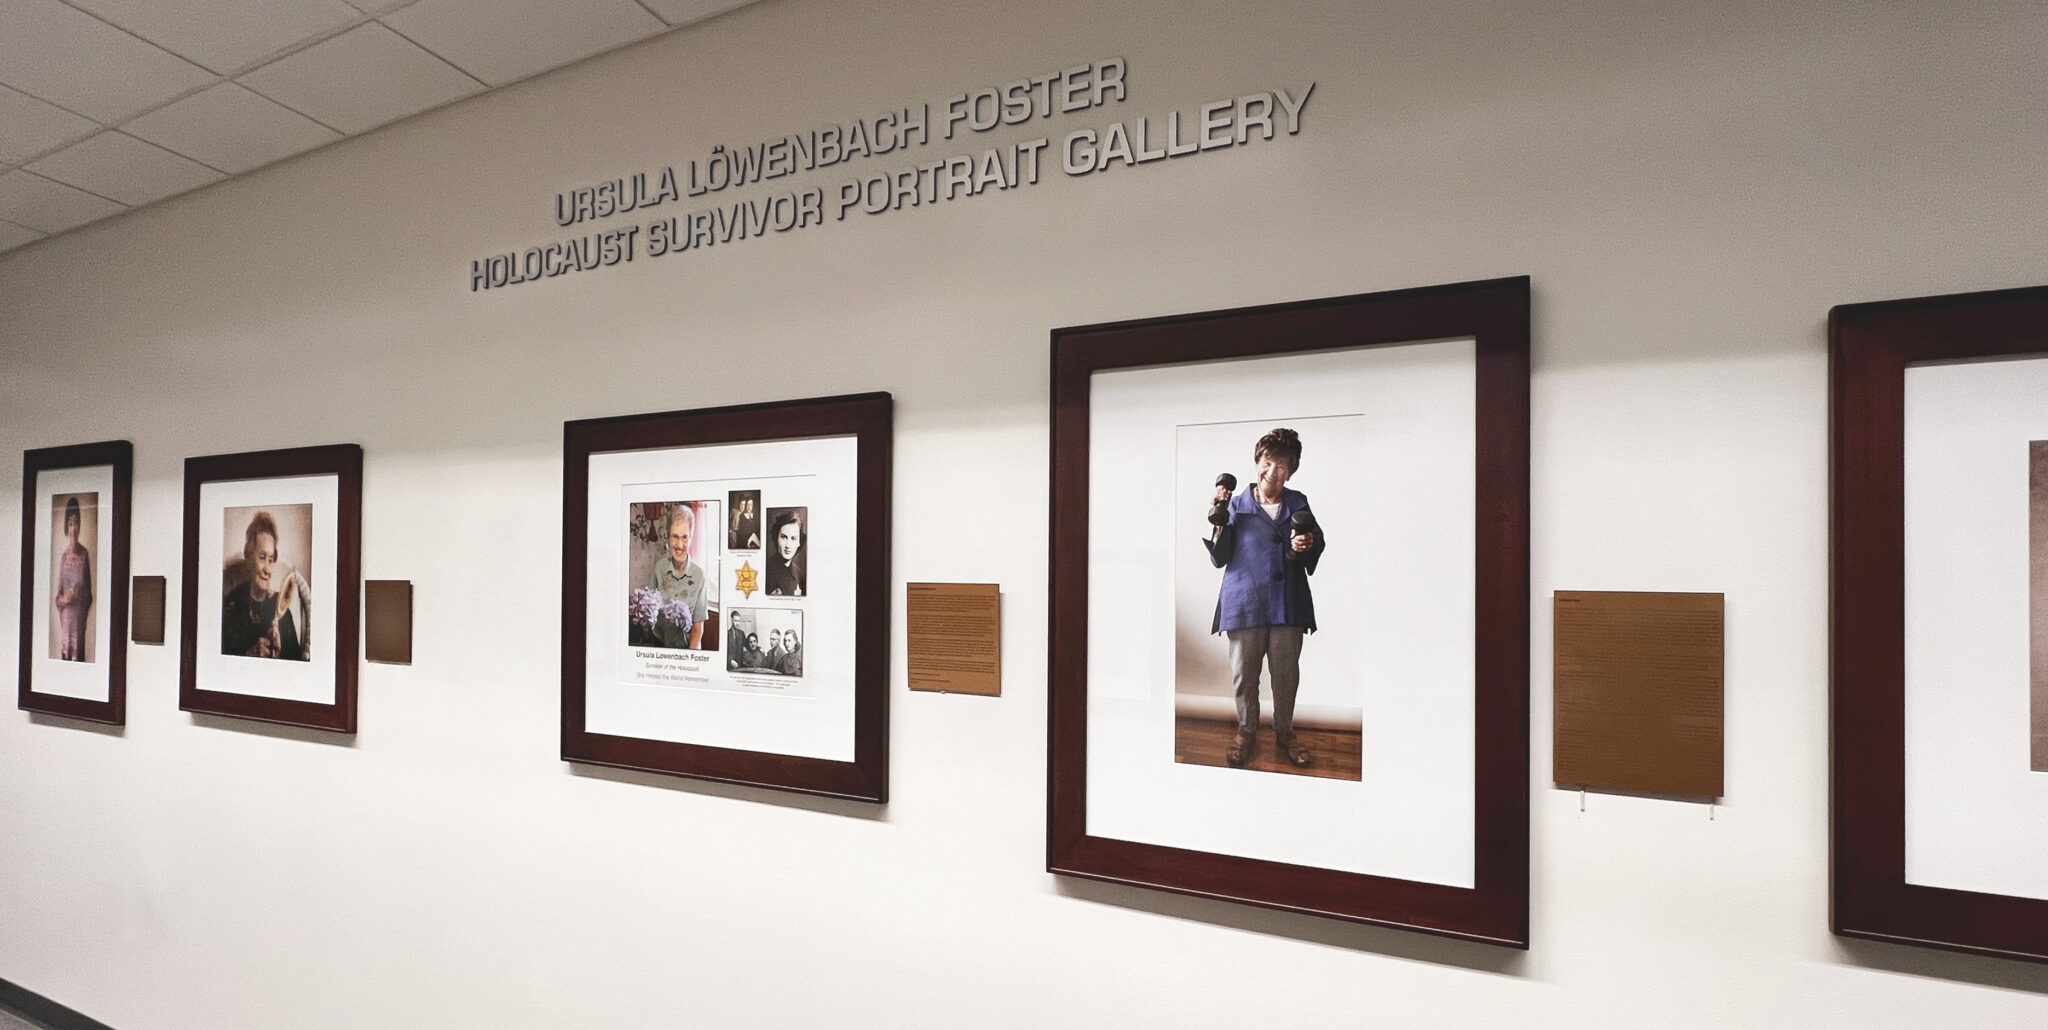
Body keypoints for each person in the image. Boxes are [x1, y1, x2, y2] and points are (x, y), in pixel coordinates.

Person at [1202, 428, 1325, 769]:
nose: (1273, 471)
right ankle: (1246, 732)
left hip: (1288, 602)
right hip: (1244, 602)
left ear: (1291, 471)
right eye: (1267, 462)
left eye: (1282, 466)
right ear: (1257, 462)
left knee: (1286, 675)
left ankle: (1285, 733)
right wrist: (1218, 516)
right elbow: (1218, 557)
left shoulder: (1298, 502)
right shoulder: (1234, 505)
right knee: (1245, 675)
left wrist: (1307, 544)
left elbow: (1315, 539)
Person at [222, 510, 308, 661]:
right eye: (262, 558)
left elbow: (298, 669)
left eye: (271, 559)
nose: (267, 569)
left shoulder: (283, 612)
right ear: (248, 556)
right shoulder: (231, 606)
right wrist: (248, 655)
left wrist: (280, 653)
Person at [647, 504, 707, 649]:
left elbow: (698, 631)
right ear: (667, 537)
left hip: (688, 649)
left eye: (685, 537)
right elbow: (651, 615)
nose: (679, 545)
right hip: (660, 647)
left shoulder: (699, 575)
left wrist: (686, 663)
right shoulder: (659, 568)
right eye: (675, 537)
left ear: (691, 538)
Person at [53, 496, 92, 662]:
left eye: (76, 523)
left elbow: (89, 596)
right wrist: (65, 599)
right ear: (66, 528)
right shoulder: (63, 557)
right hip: (65, 628)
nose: (73, 528)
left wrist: (78, 596)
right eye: (70, 524)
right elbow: (57, 598)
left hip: (79, 626)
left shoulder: (84, 555)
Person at [766, 509, 806, 597]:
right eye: (784, 537)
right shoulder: (766, 569)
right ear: (777, 538)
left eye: (793, 538)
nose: (788, 545)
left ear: (799, 542)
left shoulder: (799, 574)